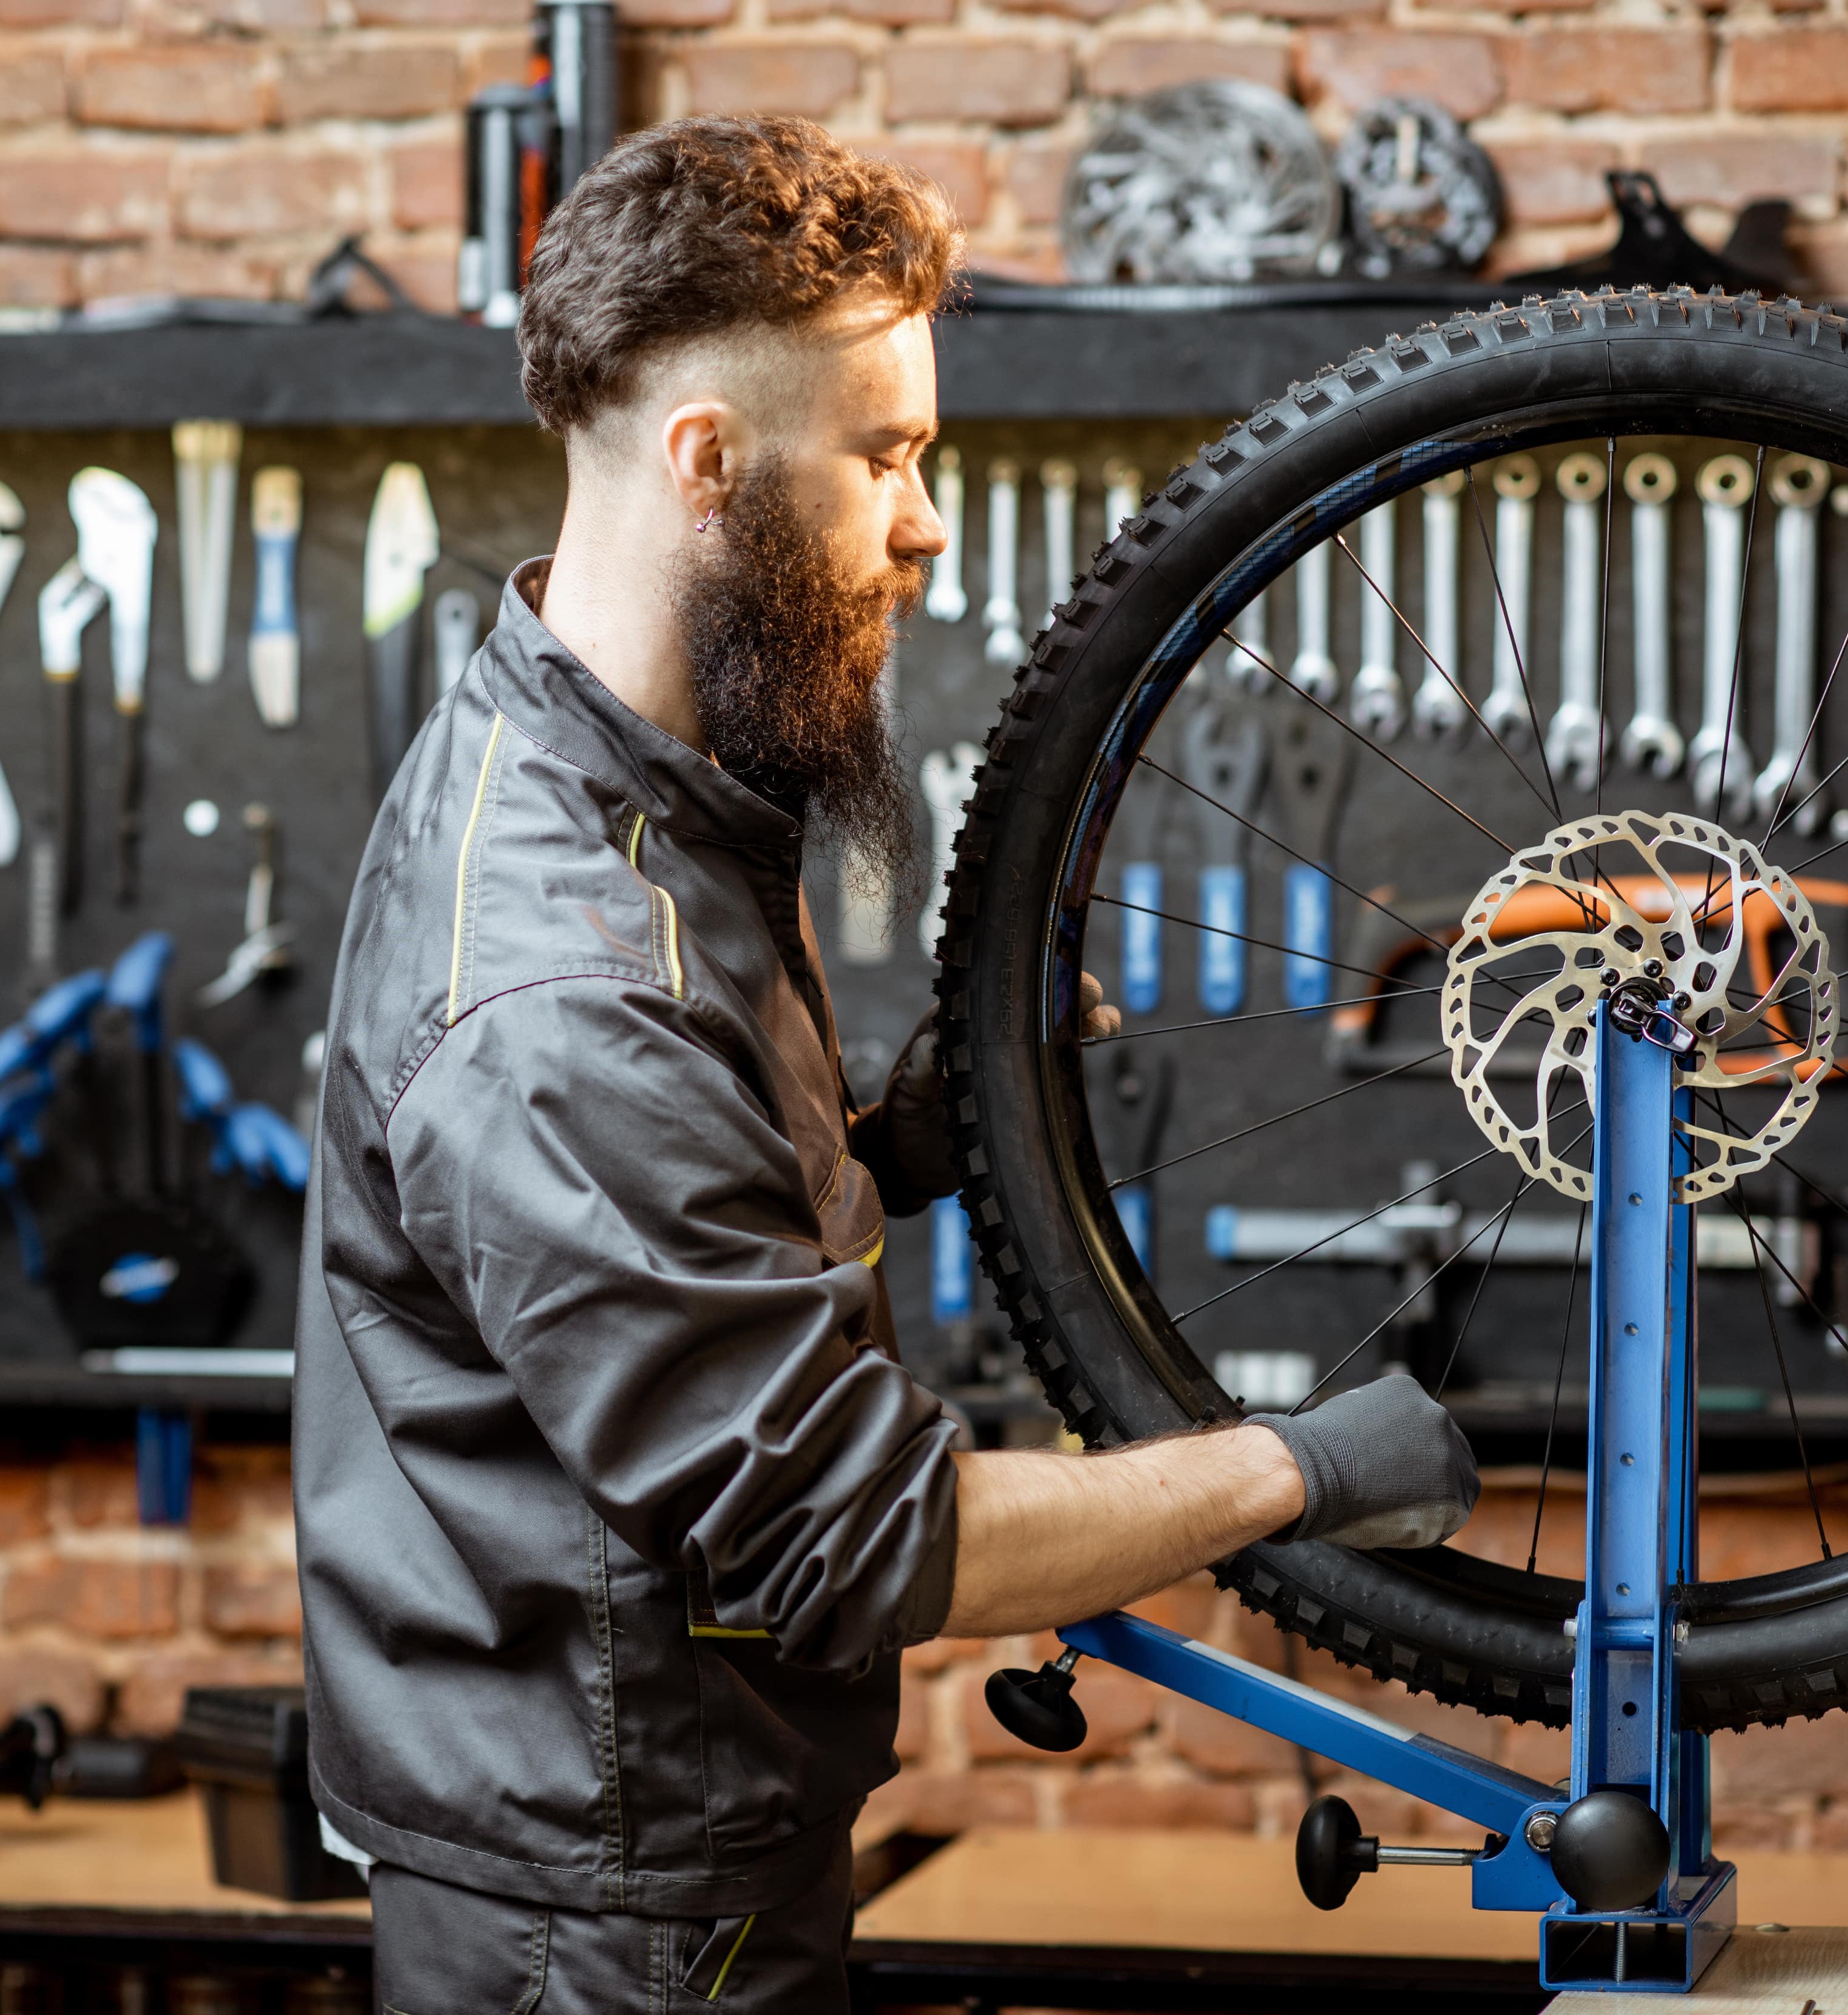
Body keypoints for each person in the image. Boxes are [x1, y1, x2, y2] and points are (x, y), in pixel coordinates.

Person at [292, 114, 1479, 2011]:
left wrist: (878, 1143)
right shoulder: (557, 981)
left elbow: (639, 1246)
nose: (928, 518)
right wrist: (1302, 1466)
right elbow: (868, 1528)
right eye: (887, 456)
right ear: (708, 462)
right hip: (605, 1934)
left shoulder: (622, 783)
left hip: (661, 1849)